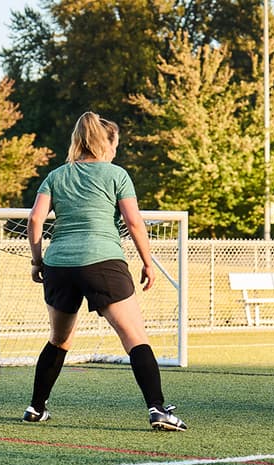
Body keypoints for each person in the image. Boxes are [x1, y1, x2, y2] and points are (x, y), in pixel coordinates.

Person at [24, 111, 187, 431]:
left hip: (59, 265)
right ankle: (157, 409)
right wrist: (148, 262)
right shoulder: (116, 174)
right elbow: (134, 221)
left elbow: (34, 220)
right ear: (104, 143)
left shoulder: (57, 175)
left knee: (59, 340)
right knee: (134, 336)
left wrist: (37, 260)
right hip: (103, 262)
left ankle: (36, 407)